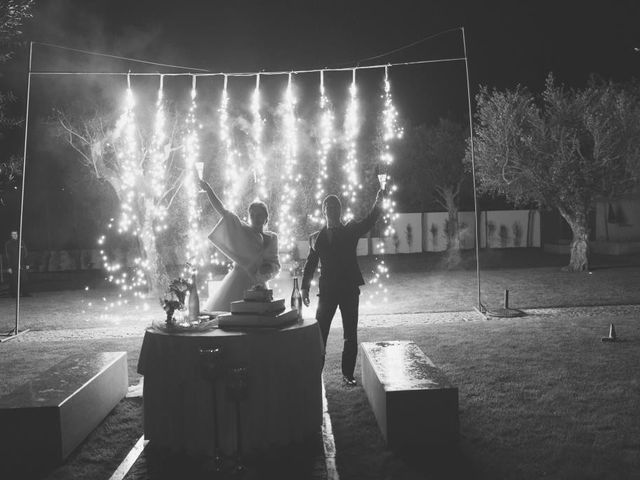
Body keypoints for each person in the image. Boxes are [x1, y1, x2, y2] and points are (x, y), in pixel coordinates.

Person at [301, 187, 384, 386]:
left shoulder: (350, 229)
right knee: (320, 334)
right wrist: (304, 287)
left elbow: (370, 219)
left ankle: (348, 375)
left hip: (348, 290)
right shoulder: (315, 238)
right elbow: (311, 264)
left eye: (334, 206)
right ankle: (316, 373)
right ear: (323, 211)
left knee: (350, 334)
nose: (331, 209)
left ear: (340, 210)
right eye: (327, 206)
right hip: (327, 292)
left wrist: (379, 201)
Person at [199, 178, 280, 312]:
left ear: (266, 218)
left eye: (259, 215)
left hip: (259, 285)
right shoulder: (243, 230)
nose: (256, 218)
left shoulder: (272, 238)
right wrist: (208, 190)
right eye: (252, 215)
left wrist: (268, 268)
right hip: (237, 283)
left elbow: (275, 264)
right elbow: (223, 211)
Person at [4, 230, 30, 298]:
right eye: (13, 234)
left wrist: (27, 263)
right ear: (11, 235)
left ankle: (25, 293)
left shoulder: (21, 242)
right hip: (13, 265)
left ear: (18, 235)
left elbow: (25, 253)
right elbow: (7, 256)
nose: (14, 235)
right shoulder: (8, 244)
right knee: (14, 281)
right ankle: (14, 294)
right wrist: (9, 267)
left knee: (25, 279)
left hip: (22, 264)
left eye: (15, 234)